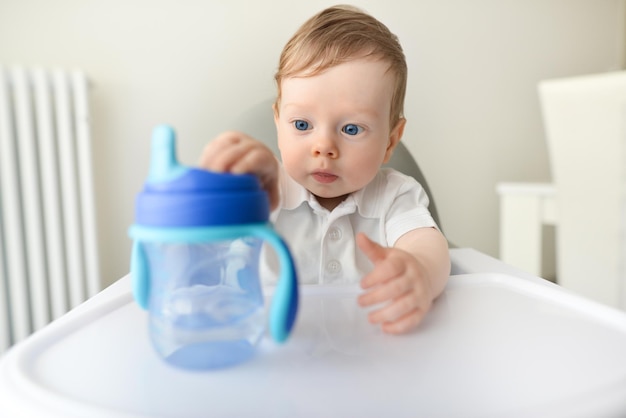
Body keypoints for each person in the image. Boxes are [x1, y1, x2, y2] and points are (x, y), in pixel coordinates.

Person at [200, 5, 450, 334]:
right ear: (278, 124)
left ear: (391, 141)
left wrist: (419, 271)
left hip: (370, 354)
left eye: (351, 129)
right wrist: (231, 185)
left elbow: (429, 246)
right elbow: (209, 243)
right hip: (275, 348)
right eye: (302, 124)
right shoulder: (266, 188)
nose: (324, 147)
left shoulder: (394, 196)